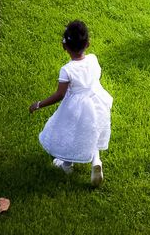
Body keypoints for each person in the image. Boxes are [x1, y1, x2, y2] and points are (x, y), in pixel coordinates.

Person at [30, 20, 113, 187]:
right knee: (93, 131)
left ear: (65, 46)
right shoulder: (93, 59)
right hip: (97, 101)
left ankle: (67, 166)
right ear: (87, 44)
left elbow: (60, 94)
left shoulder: (67, 70)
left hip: (77, 108)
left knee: (70, 134)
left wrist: (39, 104)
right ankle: (96, 161)